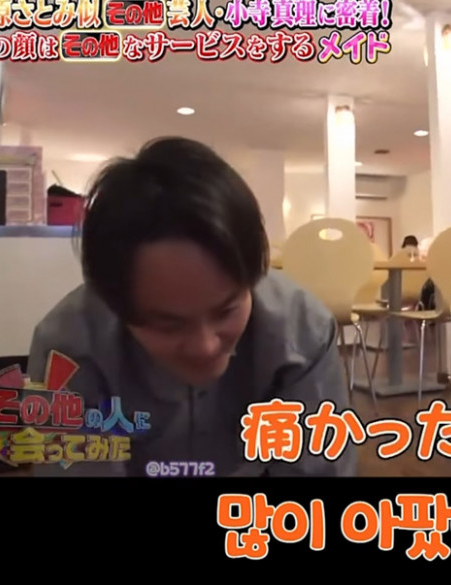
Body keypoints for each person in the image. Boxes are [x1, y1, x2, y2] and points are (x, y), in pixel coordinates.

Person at [27, 137, 356, 477]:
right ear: (114, 303)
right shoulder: (68, 349)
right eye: (168, 325)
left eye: (226, 311)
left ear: (252, 278)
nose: (205, 346)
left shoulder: (303, 331)